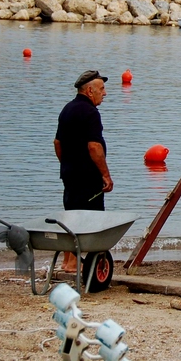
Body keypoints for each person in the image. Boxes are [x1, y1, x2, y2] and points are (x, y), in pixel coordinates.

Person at [54, 70, 114, 272]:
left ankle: (67, 261)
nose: (104, 94)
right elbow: (94, 147)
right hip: (88, 177)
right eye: (102, 89)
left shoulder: (67, 109)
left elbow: (57, 143)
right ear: (89, 91)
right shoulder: (90, 113)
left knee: (71, 215)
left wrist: (68, 164)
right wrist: (105, 175)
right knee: (89, 219)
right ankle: (74, 263)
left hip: (69, 174)